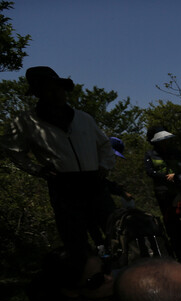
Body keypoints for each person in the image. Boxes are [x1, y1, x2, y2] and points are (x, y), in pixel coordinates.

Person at [3, 66, 116, 253]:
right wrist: (37, 169)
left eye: (59, 88)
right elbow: (13, 150)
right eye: (49, 89)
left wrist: (104, 166)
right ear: (38, 93)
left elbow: (104, 145)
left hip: (95, 181)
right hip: (63, 185)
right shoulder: (27, 121)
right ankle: (87, 274)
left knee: (113, 229)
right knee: (75, 237)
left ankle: (125, 273)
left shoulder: (83, 118)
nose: (57, 94)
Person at [143, 126, 181, 260]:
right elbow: (149, 172)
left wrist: (177, 175)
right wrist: (164, 176)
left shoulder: (176, 152)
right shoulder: (150, 155)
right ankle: (180, 253)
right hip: (163, 194)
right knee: (171, 223)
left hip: (180, 191)